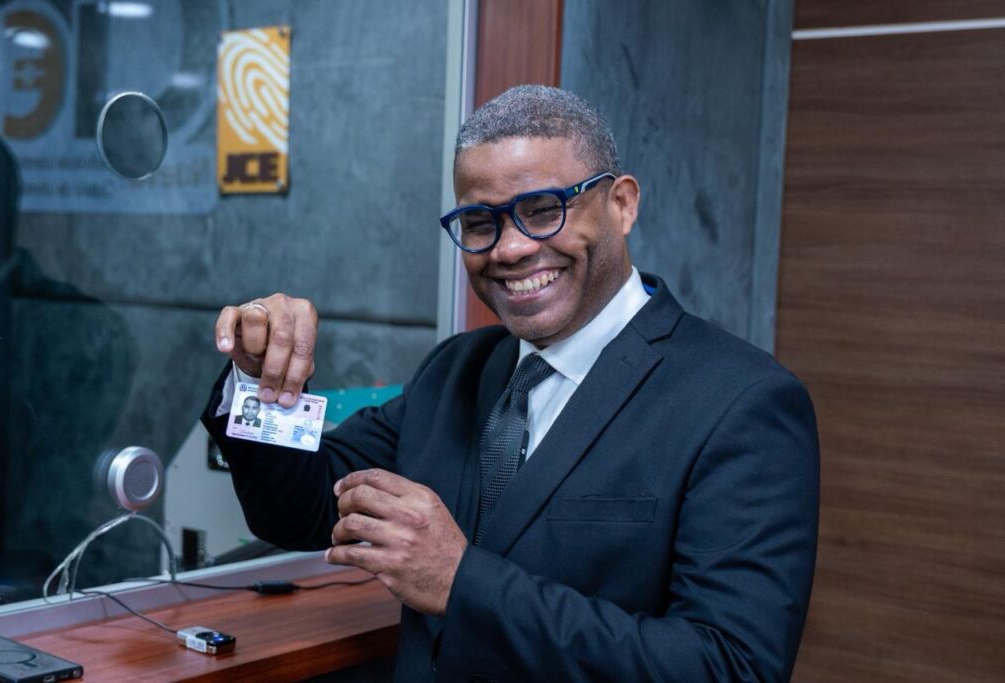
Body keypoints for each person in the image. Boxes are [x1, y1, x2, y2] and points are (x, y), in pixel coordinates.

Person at [202, 85, 819, 682]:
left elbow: (730, 665)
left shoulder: (742, 403)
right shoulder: (456, 370)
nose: (511, 249)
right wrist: (260, 379)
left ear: (622, 204)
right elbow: (303, 509)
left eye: (544, 210)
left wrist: (461, 583)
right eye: (479, 222)